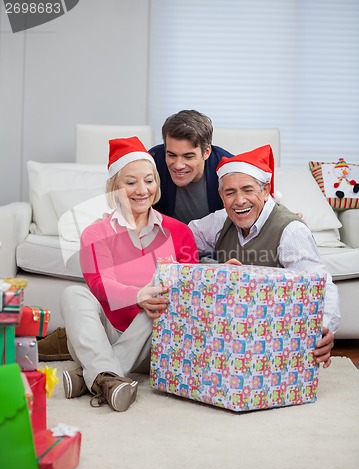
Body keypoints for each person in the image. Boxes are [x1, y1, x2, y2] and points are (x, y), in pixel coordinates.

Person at [60, 136, 198, 412]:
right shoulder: (95, 233)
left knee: (162, 302)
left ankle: (98, 375)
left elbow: (190, 289)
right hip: (101, 336)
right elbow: (99, 284)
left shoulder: (180, 232)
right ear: (114, 187)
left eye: (149, 180)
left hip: (154, 343)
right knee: (73, 293)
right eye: (130, 182)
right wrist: (138, 295)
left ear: (157, 185)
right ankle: (106, 374)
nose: (142, 190)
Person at [188, 144, 340, 368]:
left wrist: (322, 331)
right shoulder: (220, 221)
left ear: (265, 189)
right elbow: (180, 241)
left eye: (248, 190)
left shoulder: (291, 231)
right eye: (230, 192)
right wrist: (211, 267)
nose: (239, 200)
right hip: (229, 329)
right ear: (221, 195)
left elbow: (320, 285)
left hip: (276, 334)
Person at [149, 109, 233, 224]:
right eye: (171, 155)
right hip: (167, 239)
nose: (178, 165)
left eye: (188, 157)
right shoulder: (153, 161)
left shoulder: (229, 170)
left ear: (206, 152)